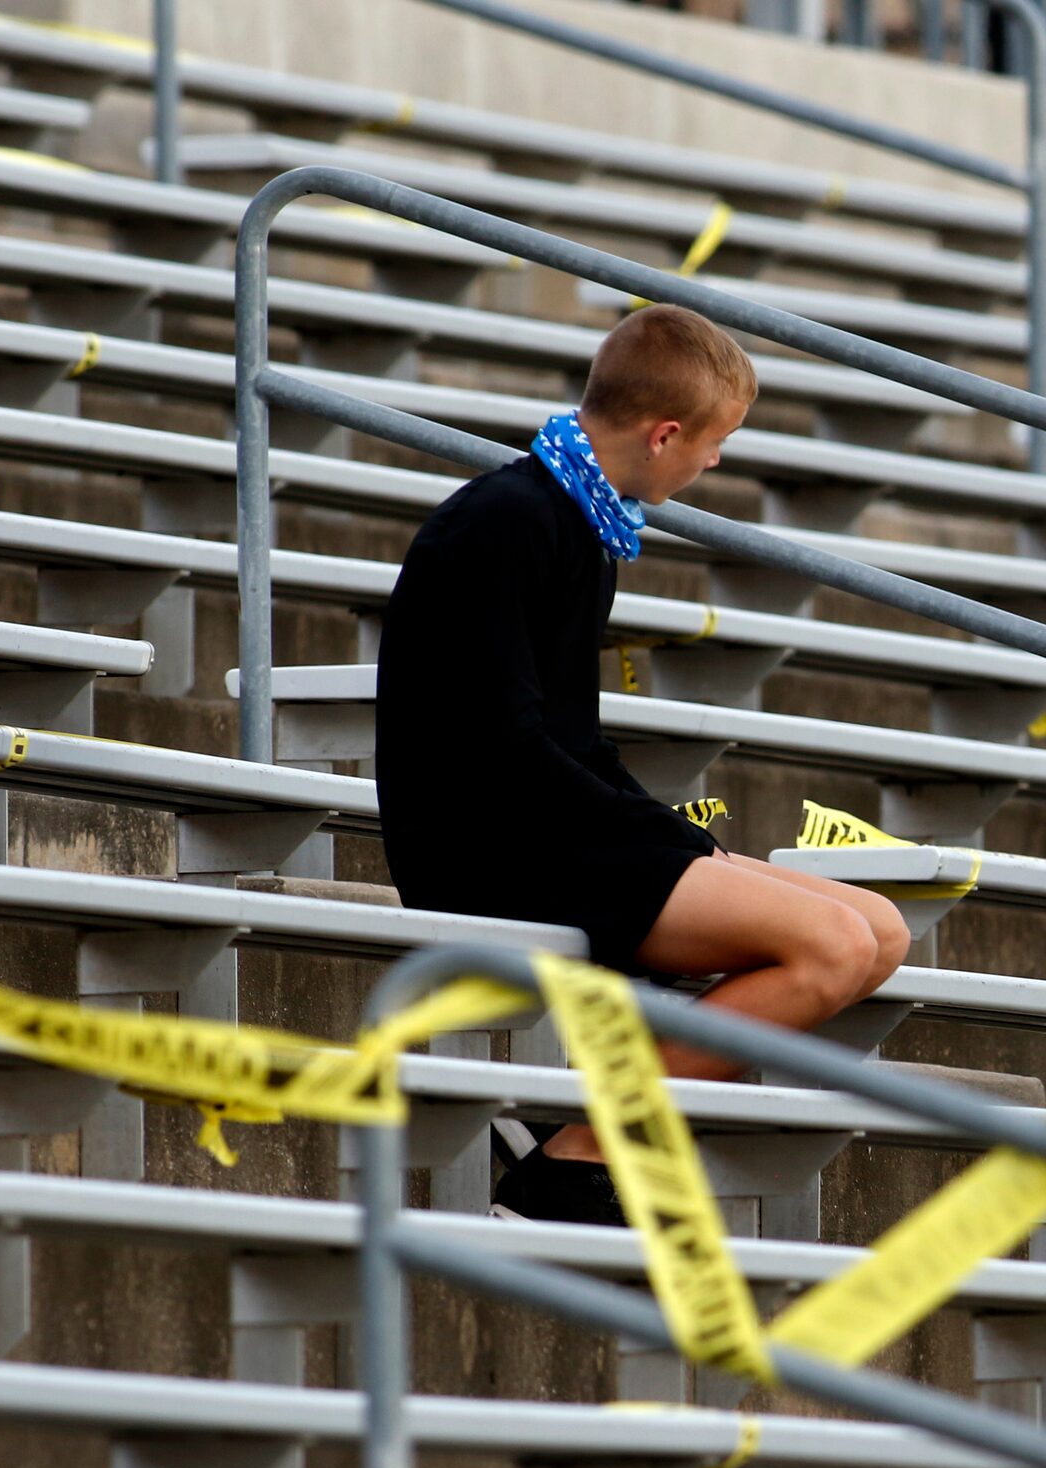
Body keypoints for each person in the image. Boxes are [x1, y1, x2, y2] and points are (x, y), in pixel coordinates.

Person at [375, 305, 911, 1227]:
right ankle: (579, 1156)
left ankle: (588, 1125)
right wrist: (665, 843)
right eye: (713, 444)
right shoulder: (504, 521)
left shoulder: (580, 522)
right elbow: (508, 750)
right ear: (665, 434)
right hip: (491, 852)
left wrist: (666, 836)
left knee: (882, 930)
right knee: (833, 944)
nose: (712, 464)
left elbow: (572, 741)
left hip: (556, 835)